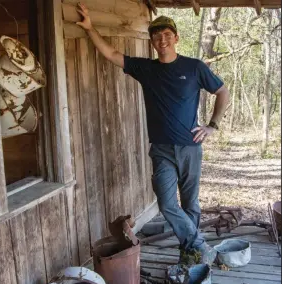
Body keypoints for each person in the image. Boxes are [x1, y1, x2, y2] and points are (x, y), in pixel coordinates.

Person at [76, 3, 230, 265]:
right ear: (152, 41)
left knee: (191, 204)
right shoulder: (146, 69)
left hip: (191, 147)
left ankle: (189, 254)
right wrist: (90, 28)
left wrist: (212, 125)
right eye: (157, 35)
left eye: (167, 34)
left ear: (176, 37)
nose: (162, 39)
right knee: (168, 203)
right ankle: (199, 245)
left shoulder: (194, 68)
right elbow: (112, 54)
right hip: (161, 149)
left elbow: (222, 91)